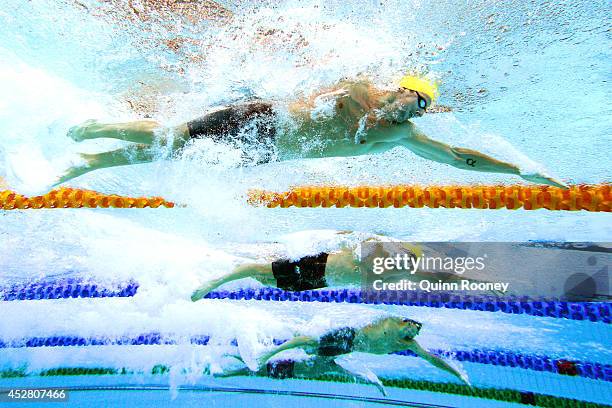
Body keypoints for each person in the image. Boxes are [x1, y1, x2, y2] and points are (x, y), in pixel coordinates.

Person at [57, 75, 565, 188]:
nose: (417, 112)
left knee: (173, 154)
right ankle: (93, 128)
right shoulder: (358, 90)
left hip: (268, 153)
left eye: (424, 109)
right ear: (397, 90)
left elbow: (458, 158)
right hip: (260, 120)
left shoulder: (401, 136)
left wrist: (521, 171)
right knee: (171, 137)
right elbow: (329, 98)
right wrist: (353, 111)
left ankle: (89, 164)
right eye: (415, 99)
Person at [191, 233, 505, 301]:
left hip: (316, 282)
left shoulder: (406, 267)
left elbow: (441, 281)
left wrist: (479, 282)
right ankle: (212, 282)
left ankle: (217, 264)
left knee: (265, 280)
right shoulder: (382, 246)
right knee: (254, 270)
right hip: (317, 264)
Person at [217, 315, 468, 396]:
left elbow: (433, 359)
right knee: (312, 343)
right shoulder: (391, 322)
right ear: (405, 323)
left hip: (345, 347)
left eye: (415, 333)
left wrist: (457, 373)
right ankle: (268, 351)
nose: (413, 335)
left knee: (312, 352)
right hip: (348, 336)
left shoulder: (409, 344)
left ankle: (253, 355)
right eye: (412, 329)